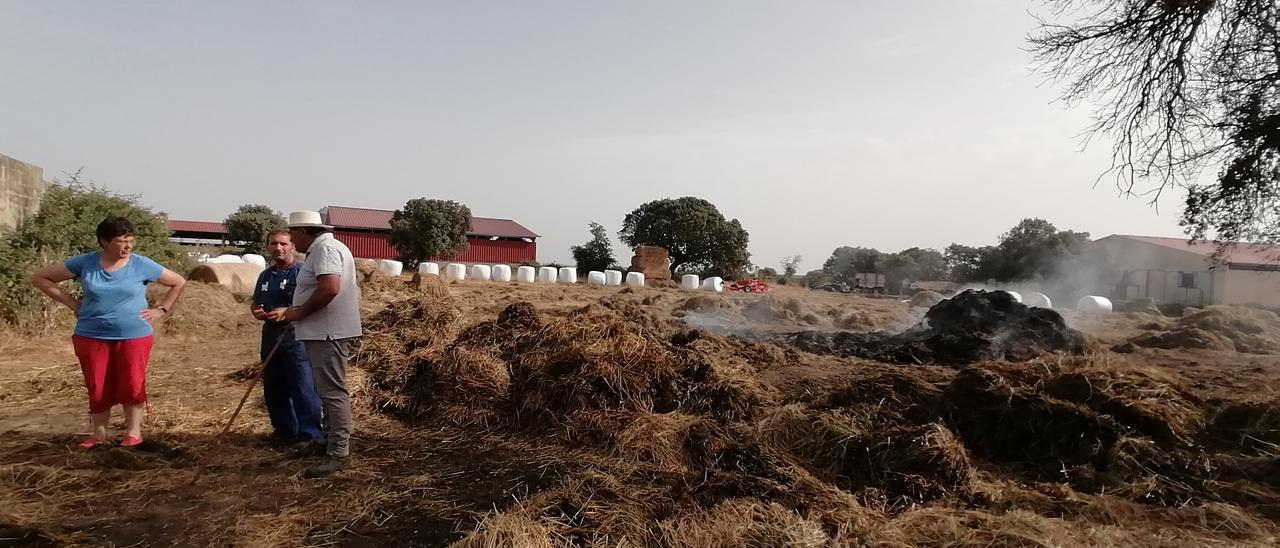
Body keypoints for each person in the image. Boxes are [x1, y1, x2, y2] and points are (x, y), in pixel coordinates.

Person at [29, 216, 187, 449]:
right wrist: (73, 304)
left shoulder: (141, 264)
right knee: (98, 383)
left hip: (134, 335)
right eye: (121, 241)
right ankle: (99, 435)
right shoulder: (85, 263)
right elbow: (41, 277)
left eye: (130, 241)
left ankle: (133, 433)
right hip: (91, 335)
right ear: (104, 241)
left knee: (132, 383)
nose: (128, 246)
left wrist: (161, 309)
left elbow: (178, 281)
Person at [272, 210, 362, 478]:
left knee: (333, 393)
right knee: (326, 391)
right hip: (321, 331)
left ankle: (339, 453)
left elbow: (329, 288)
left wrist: (298, 313)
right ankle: (326, 441)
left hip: (328, 333)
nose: (291, 241)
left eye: (292, 235)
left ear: (302, 232)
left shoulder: (326, 250)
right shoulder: (323, 249)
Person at [251, 229, 323, 445]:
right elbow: (256, 302)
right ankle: (284, 431)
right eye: (273, 243)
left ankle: (309, 434)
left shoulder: (302, 273)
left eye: (283, 243)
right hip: (270, 334)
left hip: (295, 334)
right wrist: (256, 311)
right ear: (267, 247)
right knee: (273, 385)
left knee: (302, 384)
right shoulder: (265, 276)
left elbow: (312, 302)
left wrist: (288, 311)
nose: (278, 248)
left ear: (292, 246)